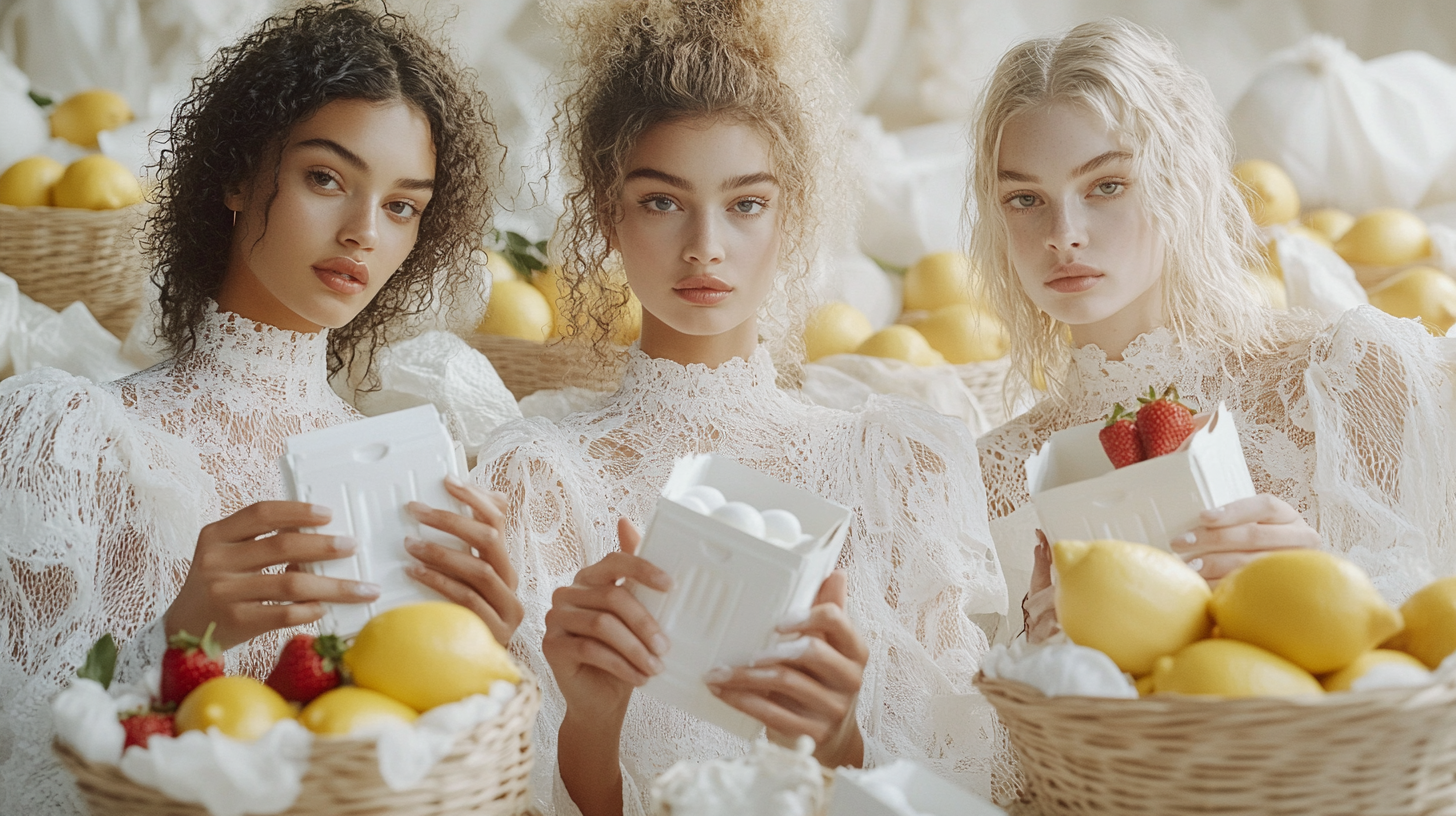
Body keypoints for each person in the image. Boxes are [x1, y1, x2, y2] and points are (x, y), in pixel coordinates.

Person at [472, 1, 1009, 814]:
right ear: (606, 213)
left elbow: (972, 787)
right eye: (661, 200)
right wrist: (592, 718)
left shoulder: (901, 465)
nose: (705, 247)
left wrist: (837, 747)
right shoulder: (539, 479)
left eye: (746, 203)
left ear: (792, 216)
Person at [0, 4, 520, 814]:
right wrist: (173, 642)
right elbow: (21, 773)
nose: (362, 233)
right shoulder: (70, 439)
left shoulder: (414, 472)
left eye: (401, 206)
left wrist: (488, 652)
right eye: (326, 178)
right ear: (238, 177)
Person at [968, 18, 1456, 640]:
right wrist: (1041, 657)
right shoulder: (996, 479)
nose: (1063, 232)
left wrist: (1319, 579)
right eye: (1025, 199)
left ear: (1182, 181)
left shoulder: (1346, 377)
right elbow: (998, 736)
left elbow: (1435, 643)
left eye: (1107, 185)